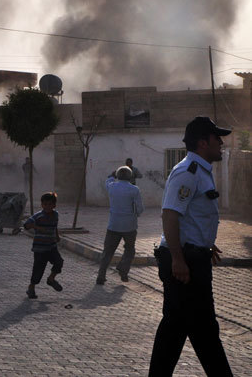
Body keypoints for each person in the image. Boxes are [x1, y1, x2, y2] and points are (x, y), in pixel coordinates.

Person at [149, 116, 233, 376]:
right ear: (202, 142)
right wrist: (178, 258)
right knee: (200, 330)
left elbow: (194, 216)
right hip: (185, 264)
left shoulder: (201, 171)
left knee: (179, 330)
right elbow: (170, 214)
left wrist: (207, 244)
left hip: (193, 259)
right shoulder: (189, 172)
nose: (221, 143)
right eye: (216, 138)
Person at [96, 166, 144, 285]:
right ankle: (123, 269)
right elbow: (140, 208)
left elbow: (108, 180)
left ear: (118, 176)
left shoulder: (112, 187)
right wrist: (135, 214)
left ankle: (101, 275)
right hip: (130, 225)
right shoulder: (134, 189)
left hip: (114, 224)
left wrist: (112, 175)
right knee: (129, 249)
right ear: (130, 176)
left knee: (108, 251)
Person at [23, 192, 63, 299]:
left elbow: (55, 227)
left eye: (50, 204)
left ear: (54, 205)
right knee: (38, 270)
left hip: (51, 246)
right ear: (42, 205)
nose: (47, 207)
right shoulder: (38, 216)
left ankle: (51, 279)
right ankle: (31, 288)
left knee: (59, 262)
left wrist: (57, 236)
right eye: (45, 204)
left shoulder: (56, 215)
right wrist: (38, 228)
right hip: (40, 248)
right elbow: (26, 225)